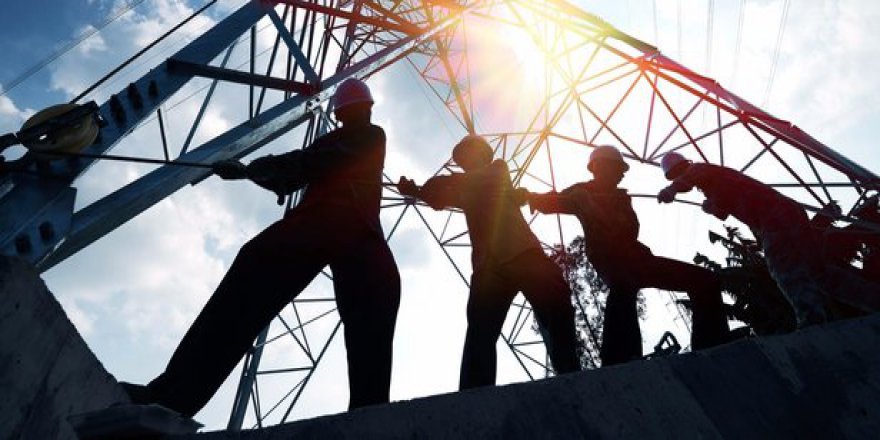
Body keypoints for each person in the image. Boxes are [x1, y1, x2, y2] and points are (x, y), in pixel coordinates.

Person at [122, 78, 401, 417]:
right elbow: (305, 166)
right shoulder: (363, 138)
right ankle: (171, 396)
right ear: (367, 107)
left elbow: (309, 163)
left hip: (329, 226)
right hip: (357, 238)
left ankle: (173, 395)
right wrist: (254, 172)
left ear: (338, 113)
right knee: (372, 316)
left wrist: (250, 170)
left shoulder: (366, 138)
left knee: (253, 271)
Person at [397, 135, 580, 389]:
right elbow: (440, 198)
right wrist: (417, 191)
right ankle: (474, 395)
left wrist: (431, 188)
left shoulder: (497, 170)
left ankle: (572, 374)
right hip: (492, 265)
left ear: (483, 154)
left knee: (556, 301)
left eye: (467, 155)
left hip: (520, 254)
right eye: (462, 159)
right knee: (480, 333)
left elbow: (458, 185)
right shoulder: (466, 188)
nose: (464, 162)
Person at [525, 146, 731, 366]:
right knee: (623, 286)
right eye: (618, 169)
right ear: (599, 167)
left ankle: (712, 346)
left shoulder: (620, 198)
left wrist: (593, 207)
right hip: (610, 258)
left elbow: (630, 230)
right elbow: (552, 202)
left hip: (637, 258)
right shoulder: (580, 192)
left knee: (705, 281)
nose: (622, 174)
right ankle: (619, 360)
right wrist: (530, 197)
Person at [658, 152, 880, 327]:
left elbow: (689, 178)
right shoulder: (713, 183)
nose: (677, 179)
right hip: (788, 213)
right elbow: (725, 209)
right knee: (818, 270)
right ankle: (873, 300)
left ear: (680, 169)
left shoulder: (700, 169)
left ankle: (812, 318)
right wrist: (712, 207)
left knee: (784, 269)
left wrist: (670, 191)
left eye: (675, 175)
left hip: (774, 218)